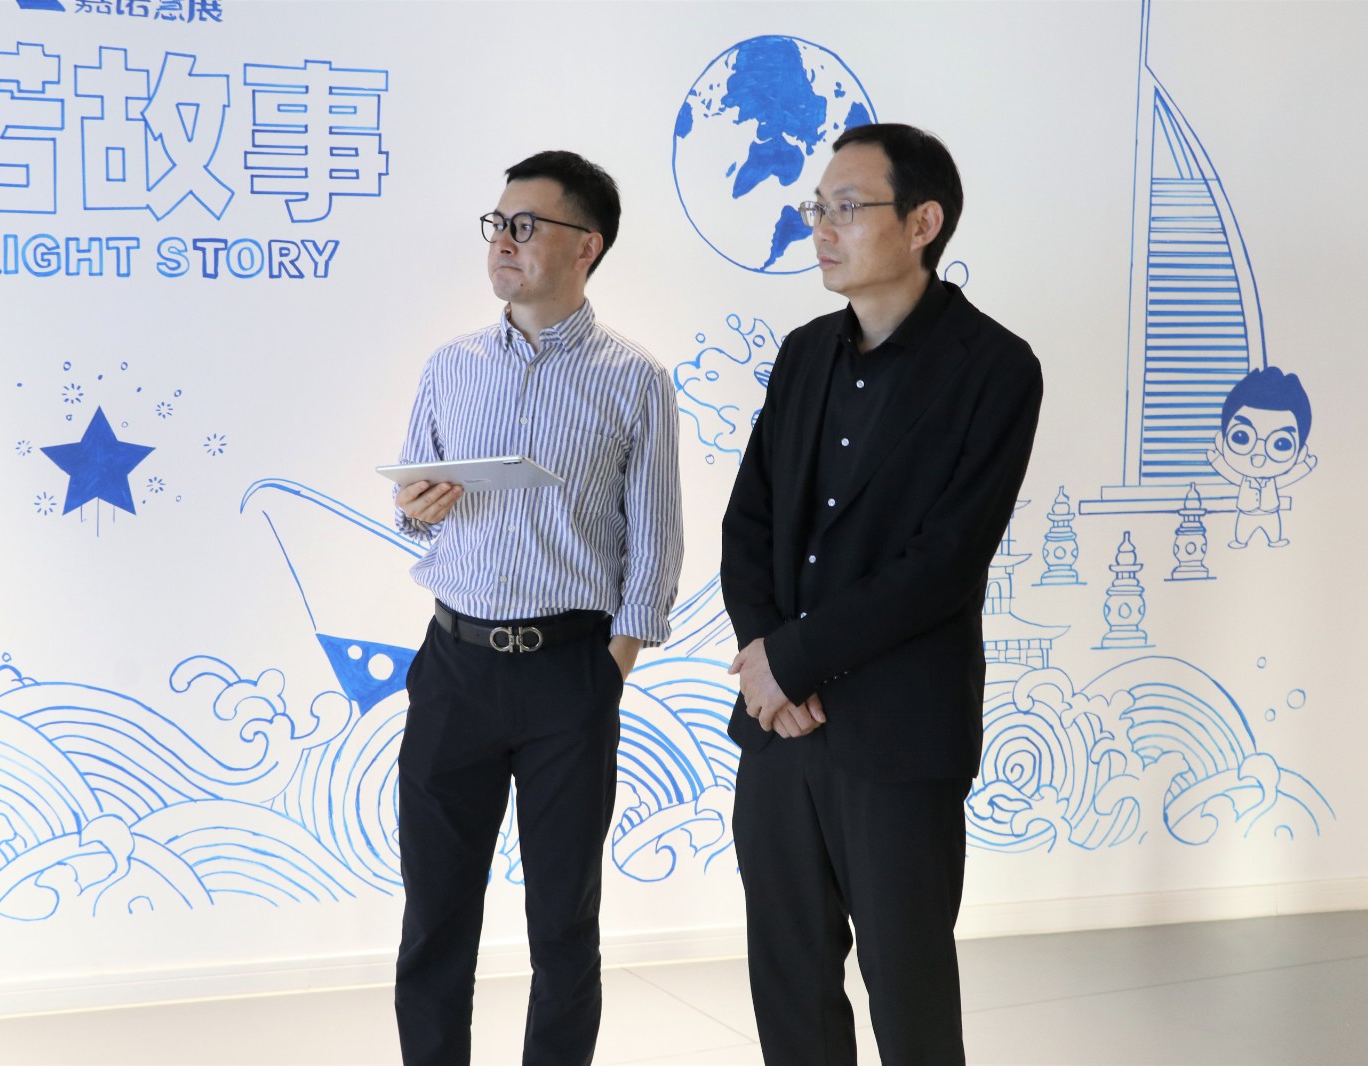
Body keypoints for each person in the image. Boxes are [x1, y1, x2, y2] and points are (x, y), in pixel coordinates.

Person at [720, 123, 1043, 1064]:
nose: (821, 227)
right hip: (779, 731)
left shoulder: (995, 367)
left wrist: (792, 660)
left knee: (909, 997)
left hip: (900, 735)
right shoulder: (803, 354)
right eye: (816, 207)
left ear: (922, 223)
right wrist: (767, 663)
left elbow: (944, 563)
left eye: (847, 207)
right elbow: (749, 523)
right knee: (790, 989)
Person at [390, 149, 683, 1066]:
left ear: (586, 245)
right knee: (435, 916)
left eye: (527, 226)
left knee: (563, 924)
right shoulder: (450, 366)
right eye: (498, 225)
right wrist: (415, 509)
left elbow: (656, 543)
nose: (504, 242)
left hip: (569, 673)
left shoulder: (635, 378)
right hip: (454, 667)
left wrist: (610, 670)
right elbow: (411, 510)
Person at [1205, 365, 1317, 548]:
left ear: (1299, 454)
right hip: (1246, 512)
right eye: (1241, 437)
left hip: (1270, 511)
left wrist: (1306, 466)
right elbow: (1230, 474)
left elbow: (1289, 478)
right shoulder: (1244, 478)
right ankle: (1241, 541)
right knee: (1242, 531)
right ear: (1221, 441)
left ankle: (1275, 540)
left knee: (1273, 529)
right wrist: (1216, 460)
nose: (1259, 456)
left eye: (1280, 444)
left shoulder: (1273, 480)